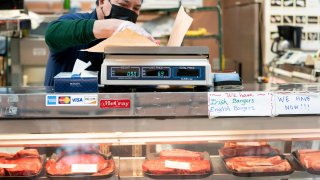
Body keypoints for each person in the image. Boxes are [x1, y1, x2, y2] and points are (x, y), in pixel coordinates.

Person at [44, 0, 154, 86]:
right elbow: (52, 34)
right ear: (102, 2)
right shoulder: (74, 21)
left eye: (136, 8)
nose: (130, 11)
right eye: (123, 4)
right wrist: (115, 26)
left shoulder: (131, 40)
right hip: (62, 109)